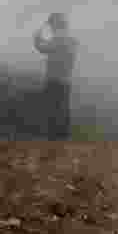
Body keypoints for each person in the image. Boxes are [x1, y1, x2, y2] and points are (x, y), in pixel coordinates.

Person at [33, 12, 78, 140]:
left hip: (54, 80)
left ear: (56, 25)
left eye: (52, 25)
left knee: (52, 110)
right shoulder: (71, 40)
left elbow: (42, 47)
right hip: (66, 80)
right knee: (63, 110)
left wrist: (37, 37)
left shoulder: (59, 39)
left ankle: (53, 139)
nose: (51, 28)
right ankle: (63, 138)